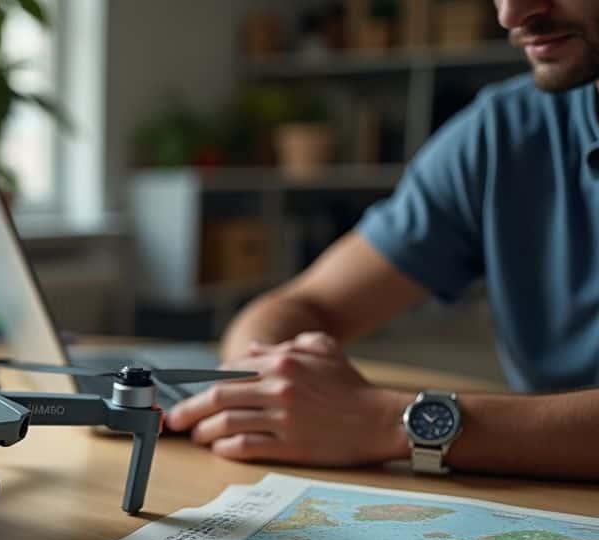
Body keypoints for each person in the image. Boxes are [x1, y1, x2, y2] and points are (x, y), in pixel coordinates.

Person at [166, 0, 599, 480]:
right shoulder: (503, 134)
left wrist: (387, 422)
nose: (511, 14)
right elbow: (301, 303)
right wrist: (267, 384)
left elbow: (375, 419)